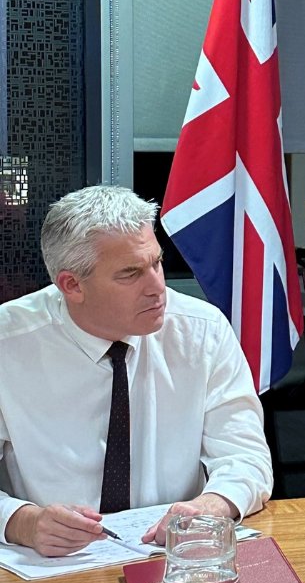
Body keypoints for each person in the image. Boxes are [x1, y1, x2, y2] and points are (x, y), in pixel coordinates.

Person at [0, 185, 273, 557]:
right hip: (47, 566)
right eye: (130, 273)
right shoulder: (9, 341)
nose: (157, 287)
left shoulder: (202, 330)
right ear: (72, 285)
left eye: (157, 263)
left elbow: (245, 457)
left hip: (174, 557)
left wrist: (212, 506)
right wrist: (22, 522)